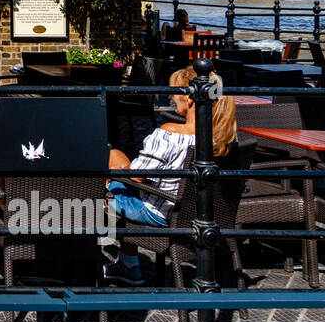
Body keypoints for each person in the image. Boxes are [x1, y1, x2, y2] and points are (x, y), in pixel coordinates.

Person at [101, 65, 236, 285]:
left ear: (191, 99)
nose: (170, 96)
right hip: (204, 213)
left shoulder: (169, 133)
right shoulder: (226, 137)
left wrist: (111, 175)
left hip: (163, 212)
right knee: (117, 160)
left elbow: (136, 177)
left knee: (108, 180)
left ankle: (125, 263)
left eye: (176, 91)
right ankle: (128, 262)